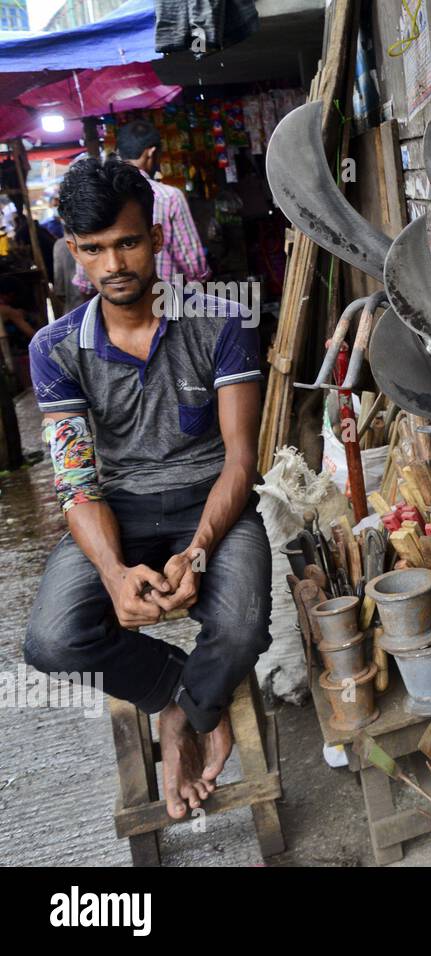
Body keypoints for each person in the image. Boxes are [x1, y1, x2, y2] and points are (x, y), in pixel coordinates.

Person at [25, 156, 269, 821]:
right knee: (49, 640)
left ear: (157, 238)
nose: (113, 265)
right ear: (74, 253)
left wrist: (197, 550)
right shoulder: (54, 349)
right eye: (94, 250)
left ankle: (192, 712)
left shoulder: (222, 321)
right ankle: (176, 699)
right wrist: (110, 572)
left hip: (212, 503)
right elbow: (77, 484)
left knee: (242, 626)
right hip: (118, 513)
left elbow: (241, 461)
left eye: (127, 242)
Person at [72, 120, 210, 297]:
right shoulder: (169, 196)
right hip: (167, 302)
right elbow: (194, 267)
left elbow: (85, 283)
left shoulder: (97, 195)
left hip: (116, 308)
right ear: (151, 152)